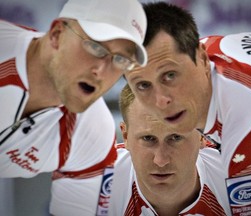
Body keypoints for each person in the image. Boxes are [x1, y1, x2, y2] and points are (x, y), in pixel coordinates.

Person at [125, 2, 251, 216]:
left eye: (170, 76)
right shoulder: (205, 51)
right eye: (143, 85)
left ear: (201, 59)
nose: (160, 100)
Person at [0, 0, 147, 215]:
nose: (101, 69)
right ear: (57, 35)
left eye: (120, 59)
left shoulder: (94, 134)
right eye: (95, 47)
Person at [108, 84, 229, 216]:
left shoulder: (239, 176)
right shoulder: (97, 180)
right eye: (148, 138)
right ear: (126, 136)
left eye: (176, 137)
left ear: (202, 135)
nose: (161, 160)